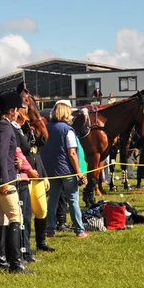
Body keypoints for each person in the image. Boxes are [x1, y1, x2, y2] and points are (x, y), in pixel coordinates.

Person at [0, 90, 31, 273]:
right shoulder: (5, 127)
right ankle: (16, 263)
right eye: (17, 109)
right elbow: (1, 154)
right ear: (11, 110)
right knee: (15, 217)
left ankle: (0, 262)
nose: (18, 113)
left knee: (0, 219)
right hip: (2, 180)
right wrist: (4, 180)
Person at [40, 100, 88, 238]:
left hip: (52, 171)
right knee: (73, 200)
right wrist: (79, 172)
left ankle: (50, 229)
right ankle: (79, 230)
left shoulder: (46, 127)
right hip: (67, 171)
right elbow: (72, 153)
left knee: (52, 201)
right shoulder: (67, 130)